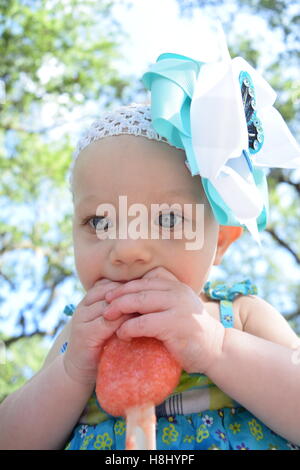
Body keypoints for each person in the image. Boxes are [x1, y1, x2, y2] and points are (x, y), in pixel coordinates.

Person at [0, 48, 300, 451]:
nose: (127, 249)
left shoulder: (240, 315)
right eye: (100, 222)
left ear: (221, 243)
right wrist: (71, 372)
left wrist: (217, 346)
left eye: (169, 219)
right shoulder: (78, 335)